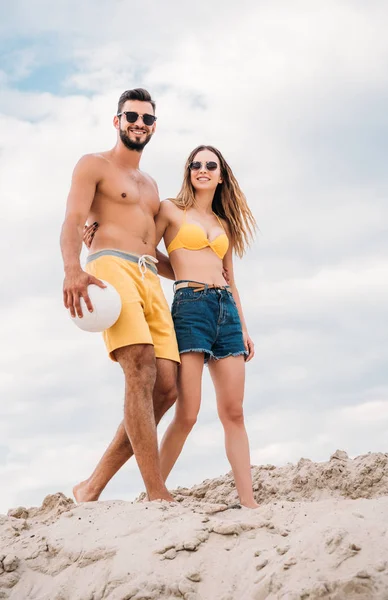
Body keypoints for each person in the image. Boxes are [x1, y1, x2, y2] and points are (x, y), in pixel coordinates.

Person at [87, 145, 259, 508]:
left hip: (225, 309)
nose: (202, 169)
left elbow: (232, 279)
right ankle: (156, 494)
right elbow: (144, 248)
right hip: (190, 307)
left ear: (221, 175)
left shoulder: (224, 223)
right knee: (188, 411)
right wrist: (99, 233)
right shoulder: (170, 209)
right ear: (189, 171)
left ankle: (250, 504)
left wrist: (243, 326)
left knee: (234, 412)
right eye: (196, 164)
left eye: (210, 165)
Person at [60, 88, 180, 503]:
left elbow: (154, 250)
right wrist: (73, 268)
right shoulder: (94, 164)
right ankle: (156, 492)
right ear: (117, 121)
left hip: (150, 276)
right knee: (140, 368)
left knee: (167, 388)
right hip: (110, 266)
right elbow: (74, 219)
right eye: (132, 116)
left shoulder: (150, 185)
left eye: (147, 119)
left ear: (153, 127)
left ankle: (91, 487)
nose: (139, 124)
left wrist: (196, 274)